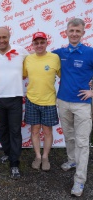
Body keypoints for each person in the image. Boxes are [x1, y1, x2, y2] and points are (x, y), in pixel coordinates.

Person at [53, 18, 93, 197]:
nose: (74, 34)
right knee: (69, 136)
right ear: (66, 32)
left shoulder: (90, 53)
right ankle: (71, 160)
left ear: (83, 33)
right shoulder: (59, 53)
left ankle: (79, 180)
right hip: (62, 101)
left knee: (83, 142)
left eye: (78, 31)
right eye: (72, 31)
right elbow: (39, 57)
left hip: (83, 105)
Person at [0, 27, 28, 179]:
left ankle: (14, 163)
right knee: (3, 128)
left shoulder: (20, 50)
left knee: (15, 131)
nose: (1, 40)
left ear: (9, 36)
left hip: (15, 98)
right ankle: (7, 153)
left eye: (4, 37)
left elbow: (36, 60)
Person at [23, 32, 60, 171]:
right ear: (32, 45)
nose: (39, 45)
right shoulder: (28, 59)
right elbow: (22, 75)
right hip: (32, 100)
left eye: (42, 42)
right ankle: (37, 156)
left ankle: (45, 157)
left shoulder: (55, 58)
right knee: (34, 130)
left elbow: (66, 75)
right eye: (36, 43)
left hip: (49, 101)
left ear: (46, 43)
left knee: (47, 131)